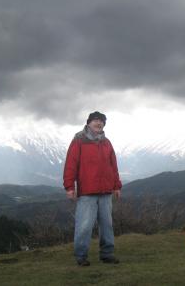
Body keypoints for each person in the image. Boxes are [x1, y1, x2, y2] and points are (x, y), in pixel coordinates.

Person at [63, 111, 122, 266]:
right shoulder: (79, 140)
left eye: (102, 121)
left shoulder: (107, 142)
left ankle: (107, 254)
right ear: (89, 122)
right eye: (96, 120)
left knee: (107, 225)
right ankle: (81, 256)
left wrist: (117, 186)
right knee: (84, 225)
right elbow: (71, 164)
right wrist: (69, 187)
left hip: (106, 191)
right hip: (87, 192)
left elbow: (113, 166)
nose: (99, 123)